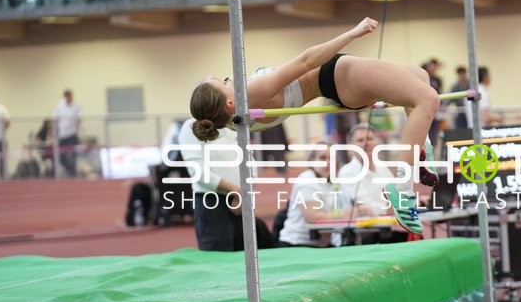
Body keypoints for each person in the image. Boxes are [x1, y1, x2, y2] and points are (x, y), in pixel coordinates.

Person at [188, 17, 439, 235]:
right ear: (230, 102)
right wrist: (353, 33)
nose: (228, 79)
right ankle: (403, 187)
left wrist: (220, 85)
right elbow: (306, 61)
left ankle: (421, 147)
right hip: (337, 73)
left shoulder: (234, 122)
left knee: (421, 77)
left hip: (338, 85)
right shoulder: (252, 93)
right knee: (428, 98)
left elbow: (211, 90)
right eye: (224, 83)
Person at [177, 117, 275, 251]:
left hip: (240, 201)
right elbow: (198, 172)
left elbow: (251, 162)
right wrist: (236, 191)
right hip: (212, 203)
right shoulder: (190, 127)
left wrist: (246, 191)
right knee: (219, 258)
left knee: (248, 255)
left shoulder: (233, 124)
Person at [277, 144, 374, 247]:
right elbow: (313, 217)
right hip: (296, 244)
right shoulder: (306, 180)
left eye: (331, 159)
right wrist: (348, 213)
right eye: (322, 158)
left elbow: (339, 211)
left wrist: (358, 210)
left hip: (321, 245)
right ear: (312, 160)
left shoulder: (333, 184)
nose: (327, 162)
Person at [338, 123, 408, 244]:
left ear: (377, 142)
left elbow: (397, 195)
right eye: (360, 140)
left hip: (386, 230)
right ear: (351, 146)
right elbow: (369, 208)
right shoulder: (347, 172)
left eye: (370, 139)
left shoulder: (382, 167)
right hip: (359, 235)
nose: (366, 143)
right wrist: (396, 206)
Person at [53, 89, 81, 177]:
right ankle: (69, 170)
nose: (69, 98)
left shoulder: (76, 105)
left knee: (72, 155)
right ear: (65, 97)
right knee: (60, 155)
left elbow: (79, 119)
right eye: (67, 97)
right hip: (62, 134)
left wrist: (77, 130)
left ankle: (73, 173)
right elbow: (55, 119)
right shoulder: (59, 105)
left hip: (72, 134)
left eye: (70, 96)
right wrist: (55, 132)